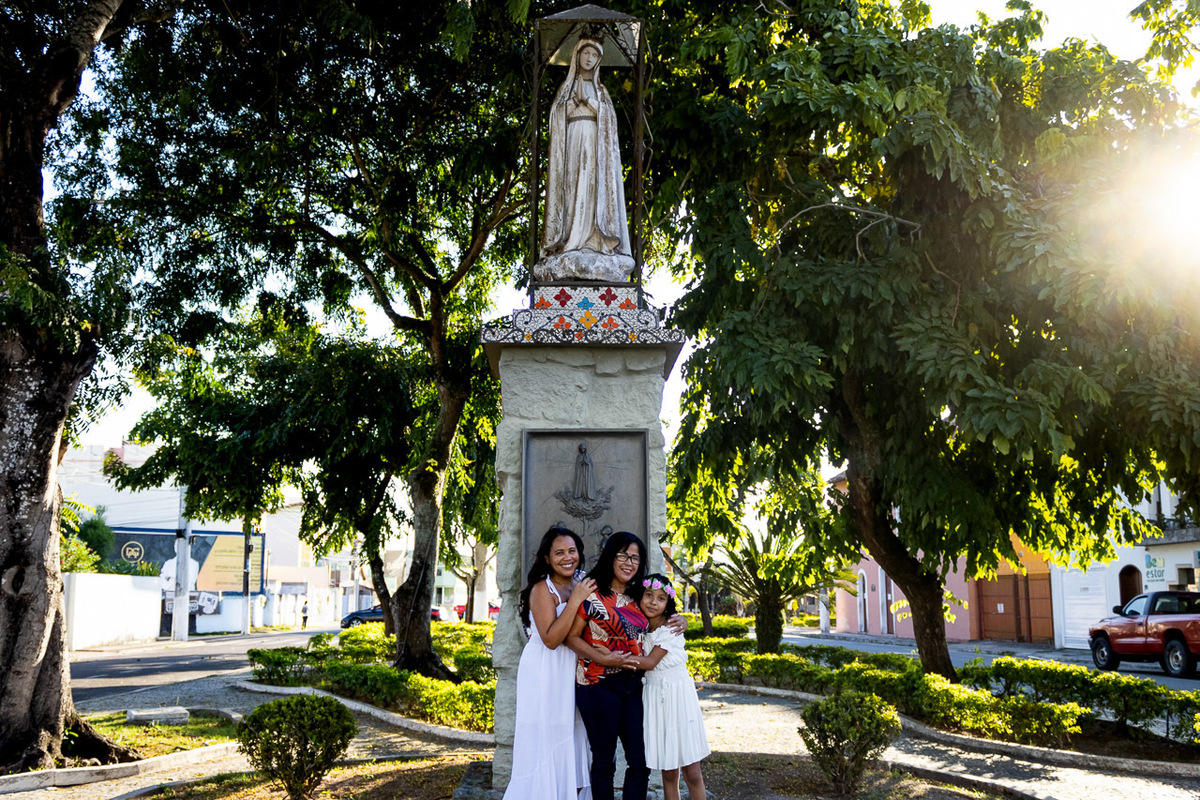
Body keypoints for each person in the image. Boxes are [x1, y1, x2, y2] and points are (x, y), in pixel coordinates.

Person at [505, 526, 597, 800]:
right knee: (549, 736)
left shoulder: (582, 580)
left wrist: (670, 618)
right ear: (547, 558)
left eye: (572, 551)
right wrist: (576, 600)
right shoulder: (541, 589)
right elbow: (550, 638)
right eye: (559, 553)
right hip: (546, 670)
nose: (567, 557)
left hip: (574, 668)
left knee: (576, 735)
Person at [537, 37, 634, 283]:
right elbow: (556, 120)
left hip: (595, 146)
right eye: (585, 53)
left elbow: (610, 122)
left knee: (592, 188)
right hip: (572, 143)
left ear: (598, 60)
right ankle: (570, 240)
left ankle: (593, 239)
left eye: (594, 55)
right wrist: (571, 103)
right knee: (571, 189)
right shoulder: (566, 88)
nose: (589, 58)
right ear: (577, 55)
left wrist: (589, 102)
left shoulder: (601, 91)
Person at [566, 531, 652, 800]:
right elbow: (570, 636)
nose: (629, 562)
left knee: (640, 761)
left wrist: (680, 621)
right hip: (596, 685)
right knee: (604, 761)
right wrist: (601, 657)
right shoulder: (592, 594)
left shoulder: (640, 596)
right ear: (611, 557)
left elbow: (662, 620)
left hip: (633, 685)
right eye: (623, 555)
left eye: (635, 558)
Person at [630, 574, 709, 800]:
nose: (653, 602)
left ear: (668, 604)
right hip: (655, 696)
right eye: (648, 595)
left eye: (661, 598)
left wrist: (611, 658)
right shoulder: (641, 627)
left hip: (678, 696)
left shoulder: (671, 627)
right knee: (668, 771)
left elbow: (649, 662)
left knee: (692, 771)